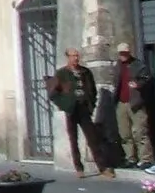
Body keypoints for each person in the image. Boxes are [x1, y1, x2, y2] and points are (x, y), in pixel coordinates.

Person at [48, 48, 111, 178]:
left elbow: (92, 90)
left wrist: (91, 104)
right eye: (73, 56)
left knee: (92, 138)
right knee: (73, 139)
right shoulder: (62, 73)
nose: (76, 58)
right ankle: (79, 167)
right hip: (71, 109)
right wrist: (64, 104)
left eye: (77, 56)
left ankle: (102, 167)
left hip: (84, 108)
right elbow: (53, 93)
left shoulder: (85, 72)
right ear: (68, 57)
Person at [113, 43, 155, 170]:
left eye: (125, 53)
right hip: (121, 103)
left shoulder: (139, 65)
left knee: (140, 131)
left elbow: (147, 79)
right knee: (124, 133)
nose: (123, 55)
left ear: (129, 52)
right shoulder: (118, 66)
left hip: (136, 102)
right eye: (121, 53)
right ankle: (130, 158)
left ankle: (145, 159)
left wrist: (138, 84)